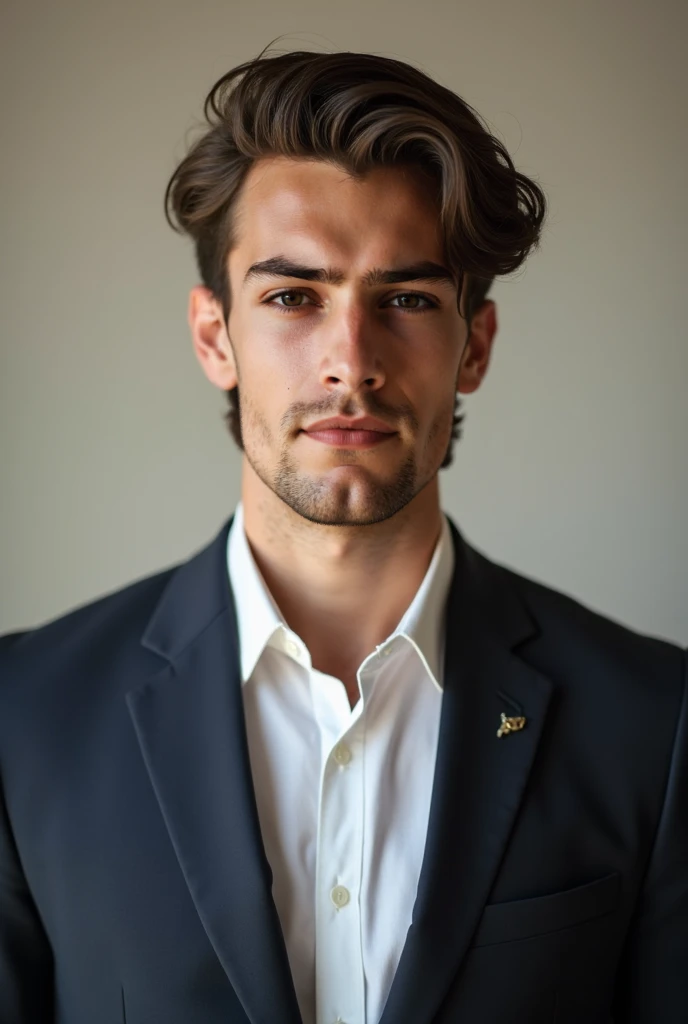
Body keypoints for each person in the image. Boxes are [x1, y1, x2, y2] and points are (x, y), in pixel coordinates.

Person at [0, 46, 685, 1024]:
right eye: (292, 297)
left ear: (474, 346)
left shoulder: (652, 726)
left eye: (404, 299)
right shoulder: (23, 720)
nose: (349, 361)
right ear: (213, 337)